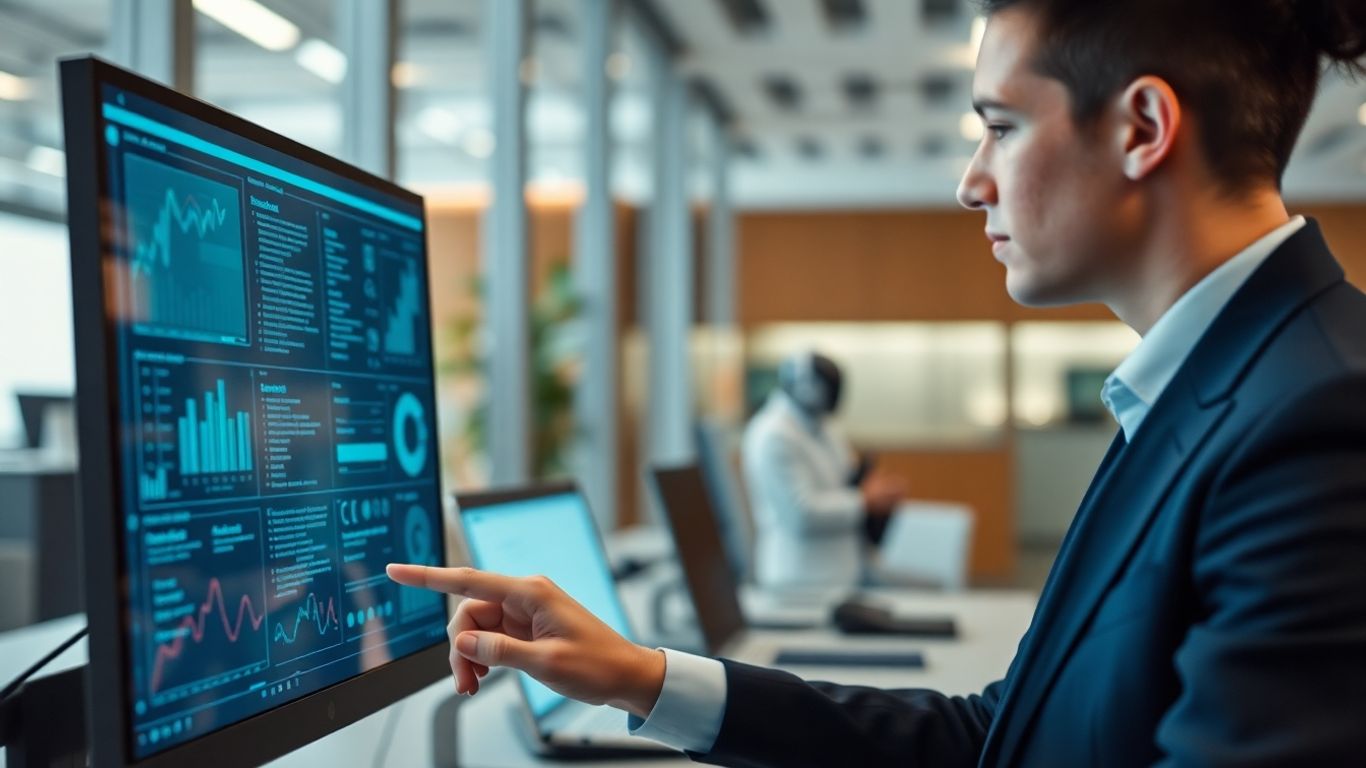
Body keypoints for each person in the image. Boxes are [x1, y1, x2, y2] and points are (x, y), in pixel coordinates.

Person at [389, 0, 1366, 763]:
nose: (969, 180)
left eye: (1000, 126)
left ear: (1142, 127)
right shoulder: (1211, 391)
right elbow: (1003, 739)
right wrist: (642, 677)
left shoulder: (1317, 421)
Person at [741, 351, 904, 589]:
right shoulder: (773, 435)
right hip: (800, 580)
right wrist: (864, 500)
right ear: (810, 390)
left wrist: (869, 487)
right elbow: (800, 515)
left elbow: (842, 480)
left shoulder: (824, 426)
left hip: (844, 571)